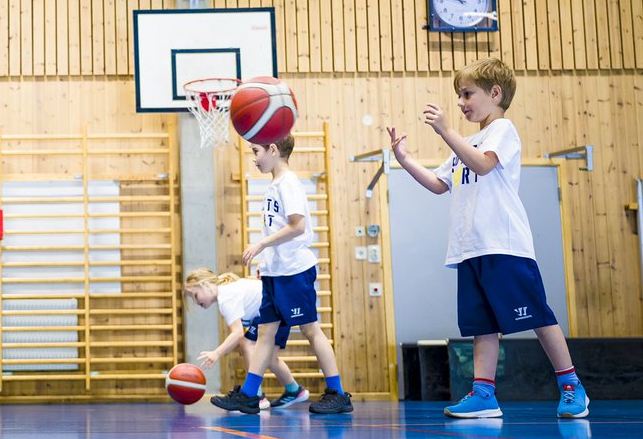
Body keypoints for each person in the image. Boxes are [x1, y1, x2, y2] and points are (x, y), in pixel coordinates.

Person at [388, 58, 588, 419]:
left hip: (504, 245)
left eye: (467, 94)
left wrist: (447, 131)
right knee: (482, 326)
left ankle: (571, 385)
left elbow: (483, 164)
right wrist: (404, 160)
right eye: (459, 95)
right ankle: (484, 394)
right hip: (470, 248)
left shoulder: (503, 130)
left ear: (495, 93)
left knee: (539, 316)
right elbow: (437, 184)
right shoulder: (469, 141)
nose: (461, 102)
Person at [216, 134, 353, 414]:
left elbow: (297, 226)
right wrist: (267, 260)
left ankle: (338, 393)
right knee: (265, 332)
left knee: (311, 330)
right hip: (275, 272)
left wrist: (261, 245)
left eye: (256, 151)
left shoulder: (289, 183)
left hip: (293, 272)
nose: (254, 158)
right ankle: (249, 394)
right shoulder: (275, 184)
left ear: (274, 149)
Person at [184, 268, 310, 410]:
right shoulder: (228, 289)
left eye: (195, 295)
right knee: (269, 358)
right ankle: (294, 390)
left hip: (275, 309)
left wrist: (216, 353)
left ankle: (255, 396)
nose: (196, 302)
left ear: (205, 284)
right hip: (281, 306)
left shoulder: (226, 297)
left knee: (246, 343)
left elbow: (237, 333)